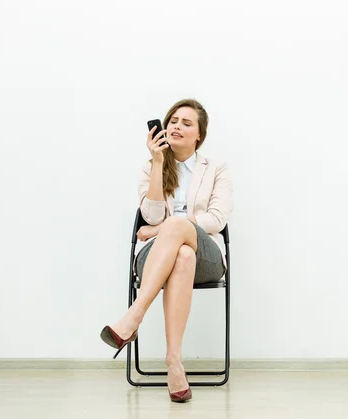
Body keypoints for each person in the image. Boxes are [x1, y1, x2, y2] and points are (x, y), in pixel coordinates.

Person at [100, 99, 232, 403]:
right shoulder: (151, 167)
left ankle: (133, 317)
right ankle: (174, 362)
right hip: (158, 259)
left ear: (200, 134)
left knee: (180, 237)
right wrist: (159, 163)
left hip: (206, 255)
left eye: (186, 123)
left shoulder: (216, 169)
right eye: (172, 121)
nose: (176, 126)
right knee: (180, 254)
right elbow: (152, 216)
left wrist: (163, 229)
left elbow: (217, 218)